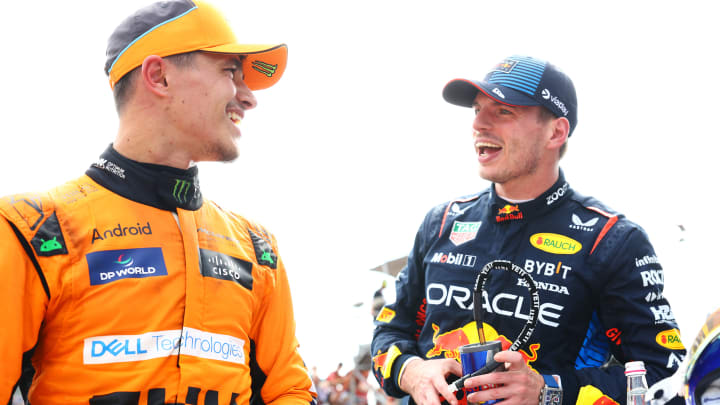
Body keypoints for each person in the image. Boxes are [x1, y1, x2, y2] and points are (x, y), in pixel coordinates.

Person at [0, 1, 316, 404]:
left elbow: (289, 391)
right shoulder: (32, 228)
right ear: (158, 76)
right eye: (229, 71)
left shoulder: (257, 247)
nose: (248, 97)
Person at [370, 55, 686, 405]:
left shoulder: (611, 240)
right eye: (477, 109)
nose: (479, 124)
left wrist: (550, 390)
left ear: (556, 131)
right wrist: (412, 371)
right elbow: (389, 330)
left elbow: (666, 373)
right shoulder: (441, 222)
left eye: (503, 111)